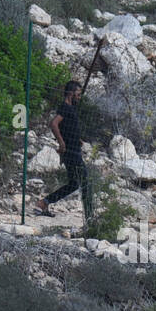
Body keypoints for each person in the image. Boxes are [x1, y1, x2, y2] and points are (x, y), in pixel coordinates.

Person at [35, 80, 94, 220]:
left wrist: (77, 139)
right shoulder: (65, 108)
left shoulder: (71, 108)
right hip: (71, 152)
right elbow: (54, 124)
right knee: (86, 181)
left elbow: (68, 126)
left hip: (74, 149)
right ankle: (90, 217)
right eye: (78, 95)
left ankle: (44, 202)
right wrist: (61, 143)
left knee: (74, 184)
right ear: (70, 94)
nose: (79, 98)